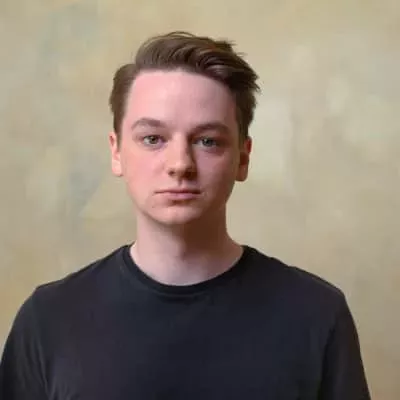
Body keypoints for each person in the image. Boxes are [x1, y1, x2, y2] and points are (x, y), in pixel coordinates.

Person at [0, 31, 370, 399]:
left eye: (208, 141)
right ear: (116, 152)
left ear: (243, 158)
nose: (180, 164)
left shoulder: (317, 314)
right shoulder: (48, 320)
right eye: (153, 139)